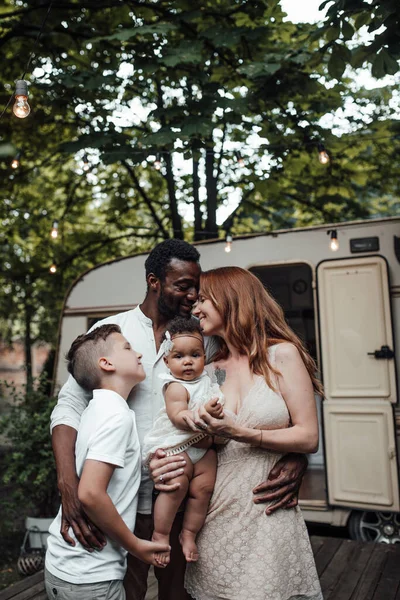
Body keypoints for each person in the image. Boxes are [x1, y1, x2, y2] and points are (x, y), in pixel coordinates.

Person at [51, 239, 308, 600]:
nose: (193, 296)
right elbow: (67, 409)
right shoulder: (113, 333)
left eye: (197, 288)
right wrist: (68, 485)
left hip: (194, 499)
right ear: (154, 281)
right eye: (183, 286)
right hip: (126, 501)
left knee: (180, 594)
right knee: (129, 590)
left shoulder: (207, 339)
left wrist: (294, 455)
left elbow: (253, 405)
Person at [184, 266, 323, 600]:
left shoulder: (282, 356)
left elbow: (308, 437)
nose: (195, 308)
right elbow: (199, 441)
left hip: (268, 510)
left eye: (204, 299)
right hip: (217, 515)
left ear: (233, 299)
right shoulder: (207, 371)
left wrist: (244, 433)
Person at [45, 324, 169, 600]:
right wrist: (135, 545)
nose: (138, 354)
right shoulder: (116, 415)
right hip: (90, 578)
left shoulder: (96, 409)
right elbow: (90, 492)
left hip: (65, 566)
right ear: (106, 363)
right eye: (127, 347)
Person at [142, 317, 224, 565]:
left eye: (195, 355)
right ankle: (161, 533)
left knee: (204, 490)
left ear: (204, 358)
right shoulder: (175, 386)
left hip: (204, 452)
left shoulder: (209, 382)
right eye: (179, 357)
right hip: (179, 447)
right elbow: (178, 415)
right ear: (167, 361)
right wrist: (193, 413)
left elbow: (219, 405)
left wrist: (216, 409)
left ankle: (188, 533)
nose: (187, 361)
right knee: (175, 487)